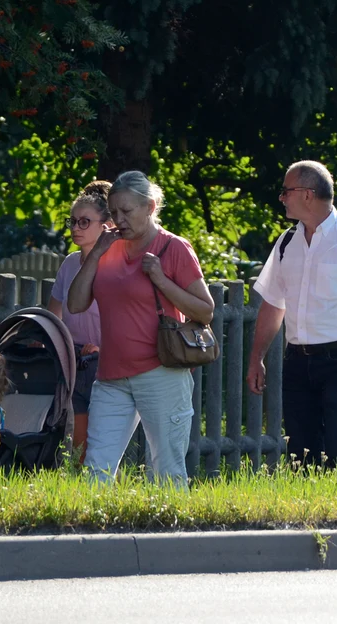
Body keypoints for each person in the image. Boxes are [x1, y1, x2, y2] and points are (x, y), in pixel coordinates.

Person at [67, 171, 214, 487]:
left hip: (161, 374)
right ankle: (92, 535)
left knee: (167, 469)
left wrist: (161, 279)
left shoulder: (173, 247)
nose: (119, 219)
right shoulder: (108, 248)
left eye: (127, 211)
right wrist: (95, 256)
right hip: (110, 377)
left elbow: (205, 310)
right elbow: (76, 304)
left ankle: (173, 534)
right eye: (114, 212)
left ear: (149, 207)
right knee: (96, 469)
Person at [247, 161, 337, 468]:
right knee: (301, 454)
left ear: (307, 194)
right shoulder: (287, 241)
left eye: (286, 191)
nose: (282, 198)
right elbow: (273, 304)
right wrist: (256, 357)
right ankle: (307, 514)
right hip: (297, 361)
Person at [47, 180, 111, 462]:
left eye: (84, 222)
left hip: (107, 364)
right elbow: (54, 313)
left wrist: (102, 347)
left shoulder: (117, 265)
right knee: (80, 451)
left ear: (105, 226)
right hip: (74, 363)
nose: (75, 228)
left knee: (102, 451)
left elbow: (127, 320)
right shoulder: (71, 262)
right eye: (72, 221)